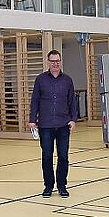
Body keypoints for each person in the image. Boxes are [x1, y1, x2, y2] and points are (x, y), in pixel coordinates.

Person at [29, 49, 78, 198]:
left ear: (60, 62)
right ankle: (48, 186)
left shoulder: (67, 80)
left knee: (63, 156)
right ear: (48, 62)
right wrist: (32, 119)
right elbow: (35, 100)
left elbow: (72, 101)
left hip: (63, 124)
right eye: (53, 61)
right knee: (47, 156)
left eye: (58, 61)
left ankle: (62, 186)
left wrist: (73, 119)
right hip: (45, 126)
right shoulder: (40, 79)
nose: (55, 63)